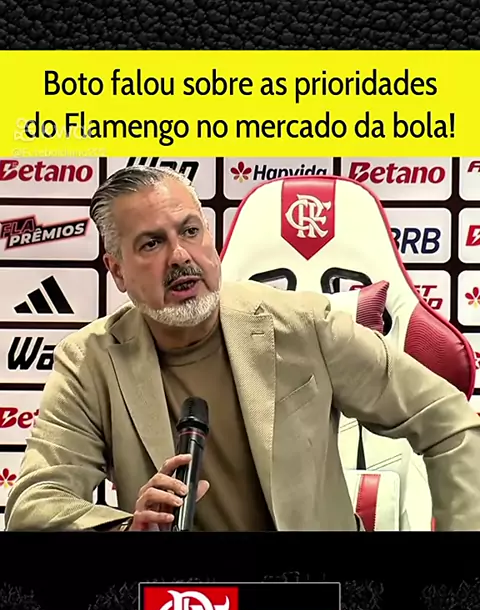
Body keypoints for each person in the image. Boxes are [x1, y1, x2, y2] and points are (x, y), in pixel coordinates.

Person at [5, 165, 480, 533]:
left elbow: (449, 423)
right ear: (117, 272)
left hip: (318, 596)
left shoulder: (304, 325)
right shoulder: (89, 361)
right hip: (184, 608)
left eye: (190, 231)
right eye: (152, 244)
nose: (180, 256)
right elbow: (33, 505)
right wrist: (128, 530)